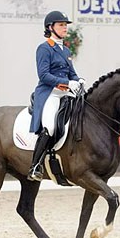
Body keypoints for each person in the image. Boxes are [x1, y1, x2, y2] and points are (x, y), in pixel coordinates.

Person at [28, 10, 85, 182]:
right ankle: (35, 166)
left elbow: (71, 73)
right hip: (50, 93)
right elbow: (44, 75)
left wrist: (78, 80)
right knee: (51, 128)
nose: (65, 28)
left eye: (66, 25)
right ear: (50, 27)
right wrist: (67, 83)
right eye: (61, 25)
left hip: (66, 92)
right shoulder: (44, 48)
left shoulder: (65, 49)